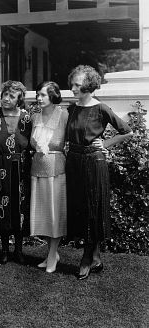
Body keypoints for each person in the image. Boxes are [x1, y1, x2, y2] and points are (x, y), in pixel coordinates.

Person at [65, 65, 133, 280]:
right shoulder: (71, 109)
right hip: (74, 161)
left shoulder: (101, 108)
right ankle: (96, 258)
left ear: (88, 85)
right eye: (72, 84)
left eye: (77, 85)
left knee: (92, 209)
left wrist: (106, 144)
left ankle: (86, 258)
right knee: (80, 208)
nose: (73, 88)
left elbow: (127, 131)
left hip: (94, 162)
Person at [0, 80, 32, 264]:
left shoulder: (26, 118)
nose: (6, 99)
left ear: (19, 99)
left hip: (21, 168)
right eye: (4, 95)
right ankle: (5, 250)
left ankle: (19, 250)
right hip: (0, 169)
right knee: (3, 207)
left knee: (19, 208)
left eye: (11, 96)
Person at [29, 81, 68, 273]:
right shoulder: (35, 116)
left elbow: (76, 137)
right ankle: (51, 253)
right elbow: (31, 143)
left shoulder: (63, 115)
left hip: (56, 170)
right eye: (37, 94)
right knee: (43, 214)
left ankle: (53, 254)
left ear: (53, 95)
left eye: (42, 95)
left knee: (55, 214)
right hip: (37, 170)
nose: (38, 98)